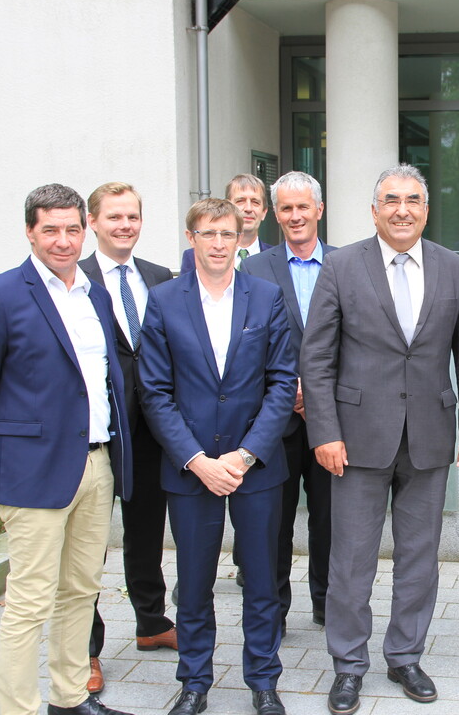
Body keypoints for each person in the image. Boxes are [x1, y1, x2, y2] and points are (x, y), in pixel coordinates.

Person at [300, 164, 459, 715]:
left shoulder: (455, 270)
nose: (402, 209)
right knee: (351, 561)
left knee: (419, 558)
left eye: (412, 200)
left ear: (426, 210)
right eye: (391, 200)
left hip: (430, 436)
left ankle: (405, 655)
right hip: (356, 441)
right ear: (374, 209)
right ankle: (348, 665)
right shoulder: (340, 266)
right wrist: (325, 432)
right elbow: (316, 359)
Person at [0, 183, 134, 715]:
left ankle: (70, 698)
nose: (63, 240)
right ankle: (19, 708)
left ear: (86, 230)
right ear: (30, 232)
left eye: (72, 229)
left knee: (81, 591)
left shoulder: (95, 294)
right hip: (31, 472)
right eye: (50, 229)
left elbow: (100, 382)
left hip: (96, 463)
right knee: (29, 601)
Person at [140, 199, 297, 715]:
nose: (217, 243)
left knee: (261, 581)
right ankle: (194, 683)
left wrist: (246, 455)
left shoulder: (267, 296)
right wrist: (197, 459)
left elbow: (281, 385)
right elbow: (155, 393)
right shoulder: (163, 301)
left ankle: (263, 680)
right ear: (192, 238)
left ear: (239, 237)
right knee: (195, 583)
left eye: (226, 234)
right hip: (191, 471)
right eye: (207, 233)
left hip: (254, 468)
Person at [79, 182, 176, 695]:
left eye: (132, 217)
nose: (124, 225)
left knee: (146, 533)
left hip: (152, 431)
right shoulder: (75, 277)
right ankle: (86, 651)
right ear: (93, 222)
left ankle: (152, 623)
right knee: (87, 547)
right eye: (114, 217)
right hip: (97, 430)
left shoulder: (159, 278)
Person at [242, 171, 335, 634]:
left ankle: (327, 604)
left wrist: (316, 390)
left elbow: (358, 341)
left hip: (333, 418)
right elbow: (246, 343)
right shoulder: (255, 269)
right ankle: (273, 609)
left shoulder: (350, 263)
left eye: (303, 207)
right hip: (274, 418)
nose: (295, 216)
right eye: (286, 208)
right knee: (272, 523)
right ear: (274, 214)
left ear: (319, 210)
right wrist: (288, 389)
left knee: (331, 520)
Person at [181, 174, 273, 274]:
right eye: (240, 201)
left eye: (255, 202)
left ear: (264, 212)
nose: (248, 208)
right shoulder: (193, 256)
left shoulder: (277, 258)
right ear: (227, 207)